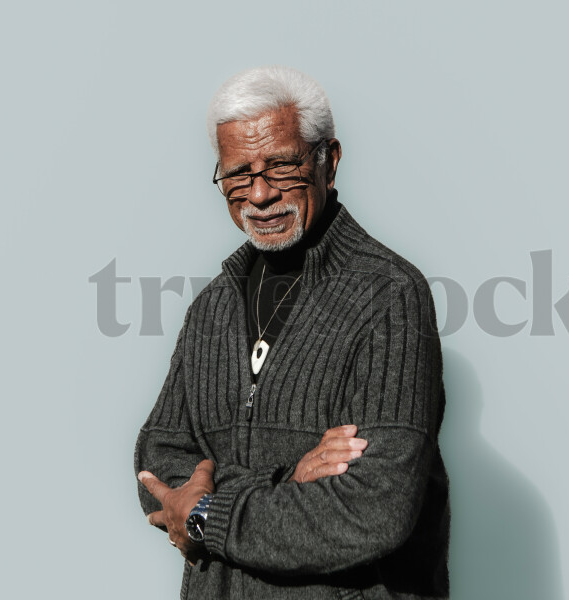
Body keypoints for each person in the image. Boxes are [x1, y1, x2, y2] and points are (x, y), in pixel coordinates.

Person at [135, 65, 450, 599]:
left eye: (280, 167)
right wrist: (282, 483)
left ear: (328, 162)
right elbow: (157, 463)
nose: (259, 194)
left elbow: (375, 509)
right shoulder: (213, 305)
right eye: (237, 174)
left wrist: (209, 511)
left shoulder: (389, 295)